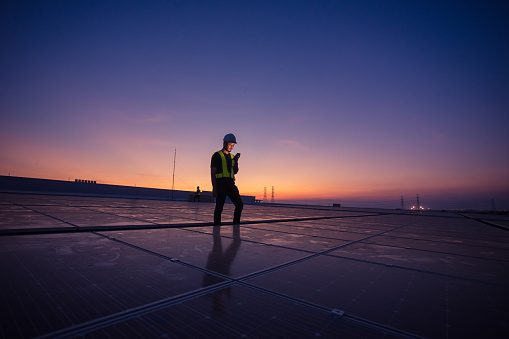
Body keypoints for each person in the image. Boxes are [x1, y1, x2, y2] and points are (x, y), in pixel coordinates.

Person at [210, 133, 243, 225]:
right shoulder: (217, 155)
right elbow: (213, 172)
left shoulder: (232, 157)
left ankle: (236, 225)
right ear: (224, 143)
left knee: (239, 205)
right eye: (230, 144)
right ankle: (217, 227)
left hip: (231, 184)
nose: (232, 147)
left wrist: (236, 161)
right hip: (221, 184)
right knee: (219, 207)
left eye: (233, 145)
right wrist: (214, 188)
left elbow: (235, 171)